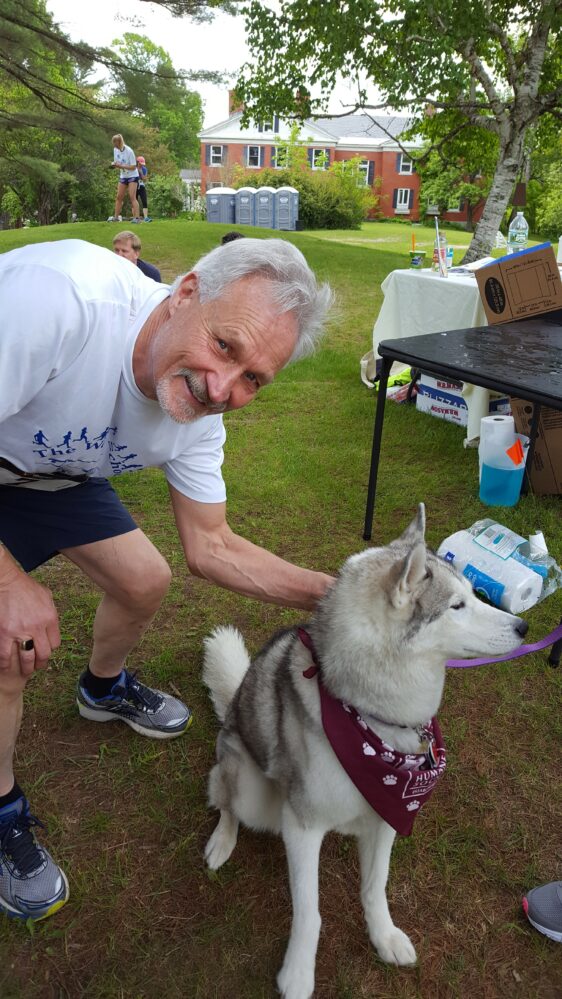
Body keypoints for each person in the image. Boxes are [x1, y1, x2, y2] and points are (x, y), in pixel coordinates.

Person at [0, 236, 333, 922]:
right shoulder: (56, 302)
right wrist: (7, 583)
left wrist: (337, 596)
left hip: (57, 474)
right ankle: (2, 809)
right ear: (185, 293)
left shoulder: (202, 418)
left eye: (253, 379)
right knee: (9, 645)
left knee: (145, 579)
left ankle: (102, 688)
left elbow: (211, 545)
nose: (222, 388)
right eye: (225, 345)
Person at [107, 134, 140, 224]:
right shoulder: (115, 150)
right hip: (123, 176)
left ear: (120, 142)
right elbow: (117, 162)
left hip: (132, 175)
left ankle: (137, 218)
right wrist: (114, 165)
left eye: (116, 143)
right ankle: (116, 218)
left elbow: (133, 166)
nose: (115, 146)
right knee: (119, 197)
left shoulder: (129, 151)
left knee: (132, 197)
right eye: (113, 144)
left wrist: (121, 165)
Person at [136, 156, 152, 222]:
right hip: (134, 186)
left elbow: (144, 179)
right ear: (138, 162)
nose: (142, 165)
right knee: (135, 201)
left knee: (144, 201)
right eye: (141, 163)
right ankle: (136, 218)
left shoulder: (144, 169)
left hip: (142, 186)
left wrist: (140, 172)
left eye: (142, 163)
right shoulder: (133, 168)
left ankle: (146, 218)